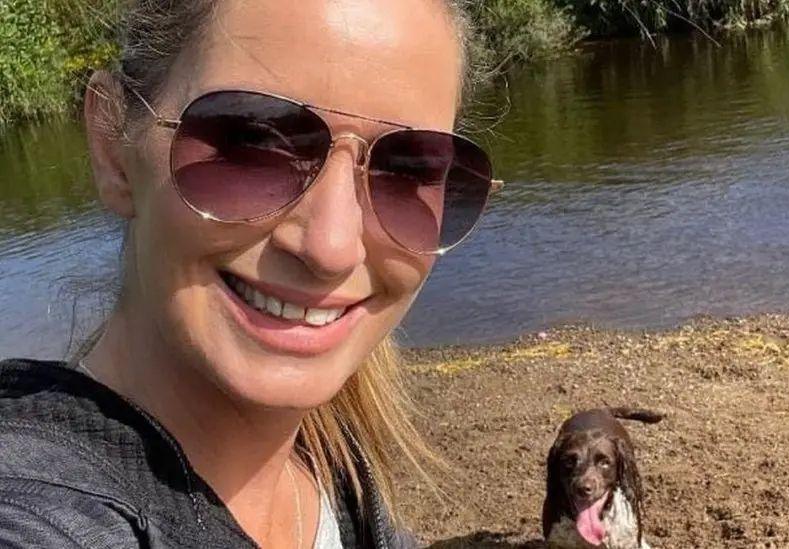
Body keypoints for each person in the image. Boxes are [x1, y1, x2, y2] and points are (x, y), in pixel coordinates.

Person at [0, 0, 501, 547]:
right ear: (113, 147)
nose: (331, 248)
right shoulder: (38, 521)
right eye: (254, 144)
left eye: (408, 171)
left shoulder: (338, 479)